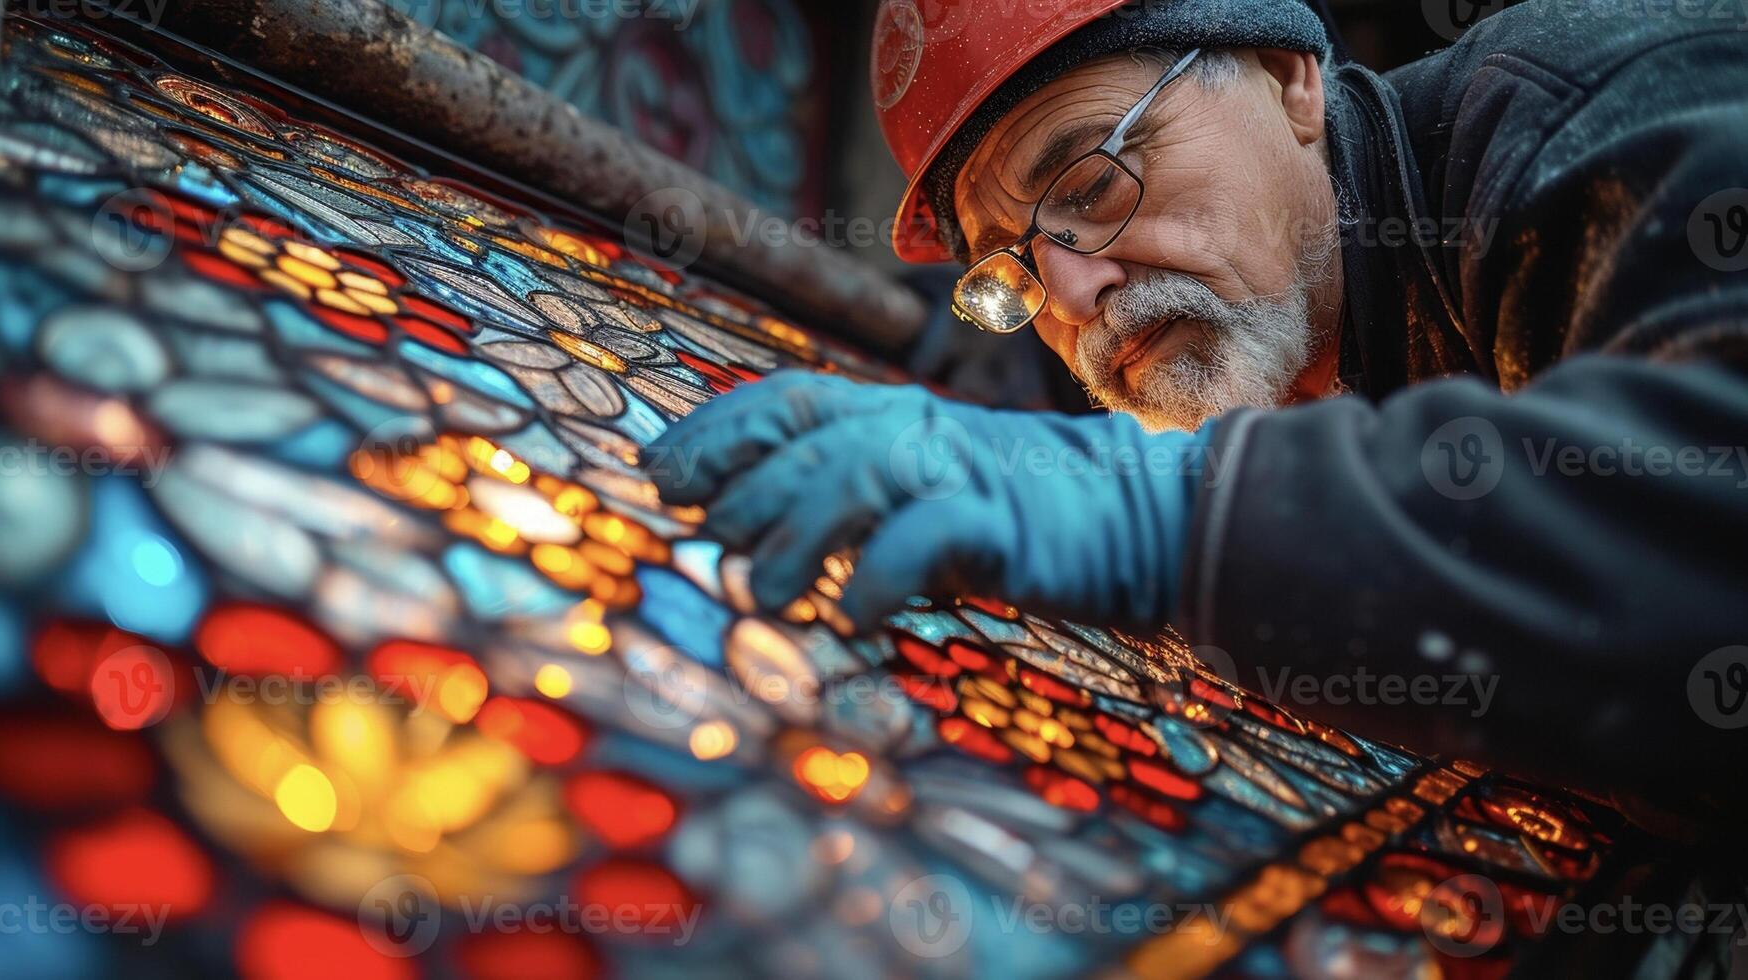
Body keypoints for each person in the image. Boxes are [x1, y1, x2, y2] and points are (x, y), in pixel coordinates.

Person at [647, 0, 1748, 829]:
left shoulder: (1593, 116)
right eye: (1010, 272)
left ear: (1289, 80)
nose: (1076, 299)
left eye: (1088, 183)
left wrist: (1166, 516)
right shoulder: (1217, 305)